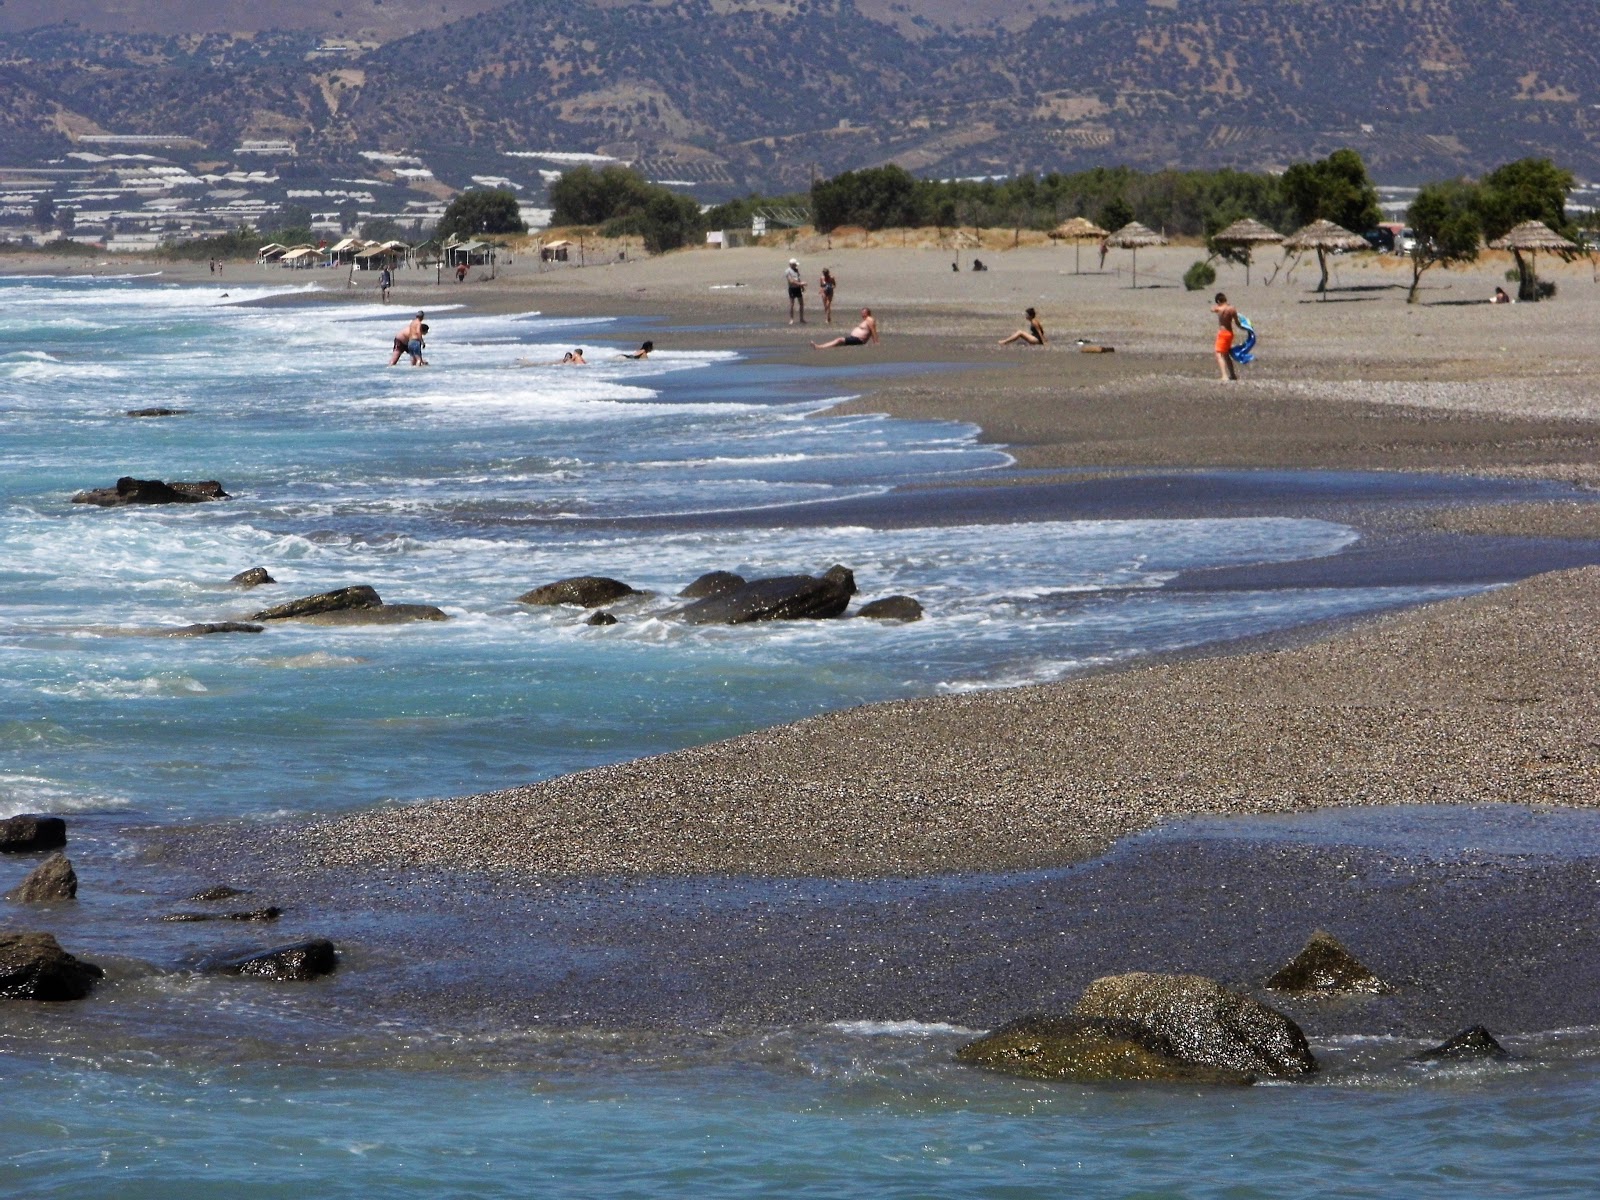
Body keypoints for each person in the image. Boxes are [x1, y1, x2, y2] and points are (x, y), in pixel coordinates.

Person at [812, 308, 878, 349]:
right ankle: (822, 347)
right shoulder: (866, 320)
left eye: (863, 313)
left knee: (839, 340)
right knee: (839, 342)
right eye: (861, 313)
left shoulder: (870, 319)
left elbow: (873, 331)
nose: (862, 315)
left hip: (859, 340)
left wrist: (876, 343)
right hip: (855, 339)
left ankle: (820, 347)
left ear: (867, 313)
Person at [1210, 292, 1239, 381]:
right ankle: (1232, 375)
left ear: (1218, 301)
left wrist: (1217, 307)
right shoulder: (1232, 309)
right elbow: (1237, 322)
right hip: (1230, 333)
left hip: (1222, 333)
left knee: (1219, 354)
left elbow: (1212, 309)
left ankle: (1224, 375)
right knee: (1226, 354)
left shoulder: (1219, 309)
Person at [785, 258, 806, 324]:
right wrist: (801, 284)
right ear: (791, 264)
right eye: (794, 265)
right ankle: (791, 319)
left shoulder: (796, 270)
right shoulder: (787, 271)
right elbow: (791, 281)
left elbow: (798, 278)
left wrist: (801, 286)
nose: (795, 266)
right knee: (792, 304)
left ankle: (801, 318)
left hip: (798, 288)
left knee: (801, 303)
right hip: (792, 289)